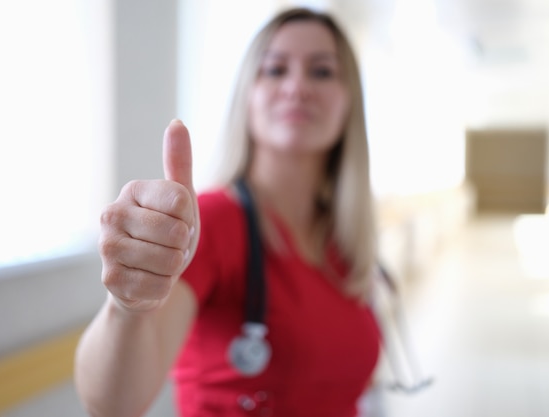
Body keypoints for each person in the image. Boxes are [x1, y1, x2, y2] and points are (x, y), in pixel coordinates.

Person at [75, 7, 381, 417]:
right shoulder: (211, 223)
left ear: (349, 102)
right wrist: (126, 307)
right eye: (275, 70)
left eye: (322, 71)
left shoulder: (343, 237)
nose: (297, 86)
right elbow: (114, 405)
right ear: (247, 94)